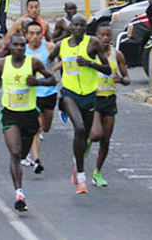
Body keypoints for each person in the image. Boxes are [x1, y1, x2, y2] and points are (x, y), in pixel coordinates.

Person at [48, 14, 113, 194]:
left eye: (81, 25)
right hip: (69, 93)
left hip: (89, 95)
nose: (78, 28)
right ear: (70, 28)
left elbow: (107, 69)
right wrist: (50, 76)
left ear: (86, 27)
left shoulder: (93, 43)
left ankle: (77, 164)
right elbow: (49, 59)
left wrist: (90, 64)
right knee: (79, 128)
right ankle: (82, 178)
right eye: (75, 25)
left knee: (84, 137)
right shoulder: (62, 45)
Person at [0, 34, 56, 211]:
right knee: (14, 152)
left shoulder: (33, 63)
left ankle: (24, 160)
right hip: (10, 113)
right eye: (16, 45)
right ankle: (19, 193)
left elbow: (52, 79)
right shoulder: (2, 63)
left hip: (29, 114)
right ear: (10, 47)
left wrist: (37, 82)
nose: (20, 48)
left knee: (21, 154)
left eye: (23, 45)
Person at [90, 23, 130, 187]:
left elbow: (127, 79)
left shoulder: (117, 55)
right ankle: (87, 138)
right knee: (96, 135)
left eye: (108, 35)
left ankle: (97, 172)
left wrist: (120, 79)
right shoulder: (91, 54)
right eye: (102, 35)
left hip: (109, 99)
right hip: (94, 98)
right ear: (96, 36)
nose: (105, 39)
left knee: (105, 140)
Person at [22, 20, 57, 175]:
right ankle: (36, 160)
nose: (35, 37)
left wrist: (53, 69)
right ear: (26, 35)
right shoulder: (22, 50)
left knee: (46, 127)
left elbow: (64, 58)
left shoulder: (49, 47)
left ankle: (34, 153)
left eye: (38, 33)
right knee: (35, 128)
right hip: (31, 94)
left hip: (48, 92)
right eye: (31, 34)